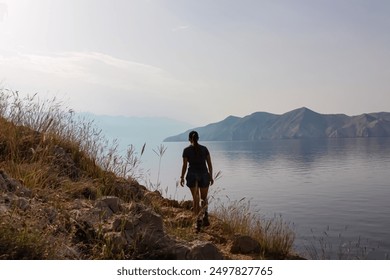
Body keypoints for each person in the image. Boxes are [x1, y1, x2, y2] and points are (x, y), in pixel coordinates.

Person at [180, 131, 214, 232]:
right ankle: (205, 217)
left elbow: (185, 166)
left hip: (192, 175)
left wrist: (181, 177)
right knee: (203, 198)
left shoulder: (186, 150)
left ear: (189, 139)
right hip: (204, 174)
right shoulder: (204, 149)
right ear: (198, 138)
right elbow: (210, 165)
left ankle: (198, 224)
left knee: (196, 199)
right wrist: (211, 177)